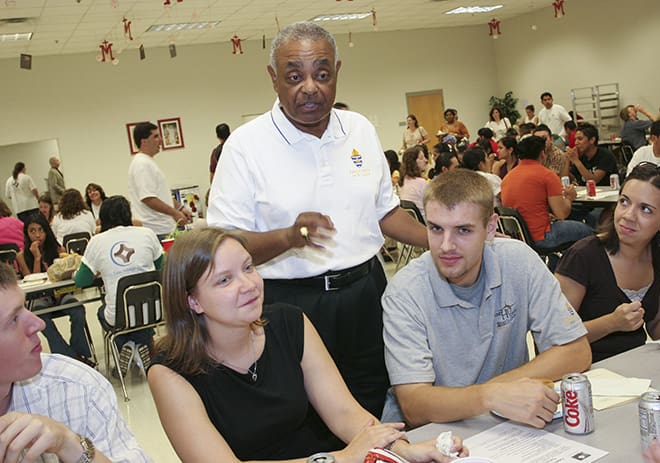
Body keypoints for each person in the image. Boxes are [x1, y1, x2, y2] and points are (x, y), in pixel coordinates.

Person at [206, 21, 428, 418]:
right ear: (274, 78)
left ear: (337, 73)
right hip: (290, 302)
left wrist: (441, 239)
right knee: (304, 411)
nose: (310, 87)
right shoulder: (245, 146)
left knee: (374, 397)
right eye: (294, 76)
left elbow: (386, 213)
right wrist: (289, 237)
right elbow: (224, 244)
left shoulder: (359, 129)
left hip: (366, 290)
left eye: (322, 75)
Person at [148, 228, 466, 463]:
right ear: (192, 301)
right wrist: (336, 459)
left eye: (248, 268)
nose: (248, 285)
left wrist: (403, 451)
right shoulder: (169, 371)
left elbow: (344, 412)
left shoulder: (289, 323)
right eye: (224, 280)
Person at [381, 169, 591, 427]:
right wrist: (489, 396)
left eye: (463, 230)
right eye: (436, 228)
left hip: (505, 424)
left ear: (490, 228)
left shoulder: (518, 261)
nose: (446, 246)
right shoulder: (405, 291)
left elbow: (576, 351)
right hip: (432, 434)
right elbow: (414, 405)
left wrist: (494, 394)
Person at [0, 263, 151, 463]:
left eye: (24, 309)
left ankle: (82, 352)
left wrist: (70, 446)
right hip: (135, 311)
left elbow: (81, 280)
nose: (38, 324)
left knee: (76, 310)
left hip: (115, 314)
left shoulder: (77, 388)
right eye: (13, 319)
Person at [555, 162, 660, 362]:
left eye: (645, 209)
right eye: (624, 201)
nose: (628, 216)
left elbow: (657, 329)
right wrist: (611, 323)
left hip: (633, 369)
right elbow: (556, 336)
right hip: (584, 372)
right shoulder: (583, 257)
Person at [74, 196, 163, 376]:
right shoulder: (146, 233)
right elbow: (162, 266)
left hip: (119, 316)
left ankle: (127, 347)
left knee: (104, 311)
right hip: (154, 311)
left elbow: (81, 281)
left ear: (103, 217)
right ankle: (140, 347)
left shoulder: (97, 241)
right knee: (140, 310)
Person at [16, 214, 92, 364]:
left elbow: (67, 276)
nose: (37, 235)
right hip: (40, 298)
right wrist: (37, 258)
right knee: (39, 315)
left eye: (40, 230)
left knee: (77, 309)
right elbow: (33, 283)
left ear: (47, 231)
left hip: (60, 294)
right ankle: (70, 357)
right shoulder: (21, 256)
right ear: (26, 233)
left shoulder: (58, 250)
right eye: (32, 231)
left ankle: (79, 352)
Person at [501, 136, 593, 251]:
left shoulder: (507, 177)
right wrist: (569, 198)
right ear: (542, 154)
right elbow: (562, 214)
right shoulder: (547, 175)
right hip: (542, 235)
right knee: (588, 231)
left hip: (518, 236)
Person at [127, 121, 191, 240]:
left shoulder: (147, 162)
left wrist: (180, 208)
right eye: (155, 136)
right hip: (156, 230)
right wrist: (174, 213)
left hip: (162, 228)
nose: (161, 140)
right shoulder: (142, 164)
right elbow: (148, 198)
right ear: (144, 141)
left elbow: (160, 195)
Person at [398, 146, 428, 217]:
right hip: (424, 221)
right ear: (413, 162)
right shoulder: (422, 182)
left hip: (409, 221)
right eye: (421, 158)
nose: (426, 160)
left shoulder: (402, 181)